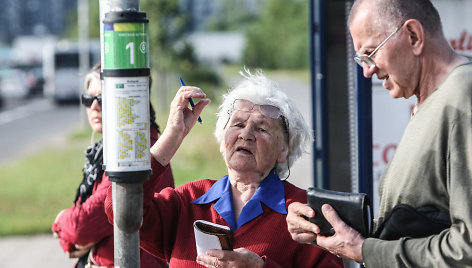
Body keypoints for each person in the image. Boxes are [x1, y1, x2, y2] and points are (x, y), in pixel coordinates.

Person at [286, 0, 472, 267]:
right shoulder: (433, 101)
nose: (367, 70)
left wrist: (365, 251)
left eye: (371, 53)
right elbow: (416, 224)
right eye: (361, 59)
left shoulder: (462, 96)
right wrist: (324, 226)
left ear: (413, 36)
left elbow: (466, 249)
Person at [104, 69, 344, 267]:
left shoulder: (305, 212)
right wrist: (172, 136)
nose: (246, 134)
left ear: (284, 150)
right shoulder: (189, 201)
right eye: (238, 124)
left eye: (261, 129)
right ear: (222, 141)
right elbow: (119, 208)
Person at [52, 63, 174, 268]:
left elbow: (81, 226)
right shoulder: (112, 147)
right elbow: (79, 234)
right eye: (88, 99)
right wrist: (71, 239)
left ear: (132, 99)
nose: (94, 107)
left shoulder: (136, 147)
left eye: (102, 98)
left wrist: (60, 219)